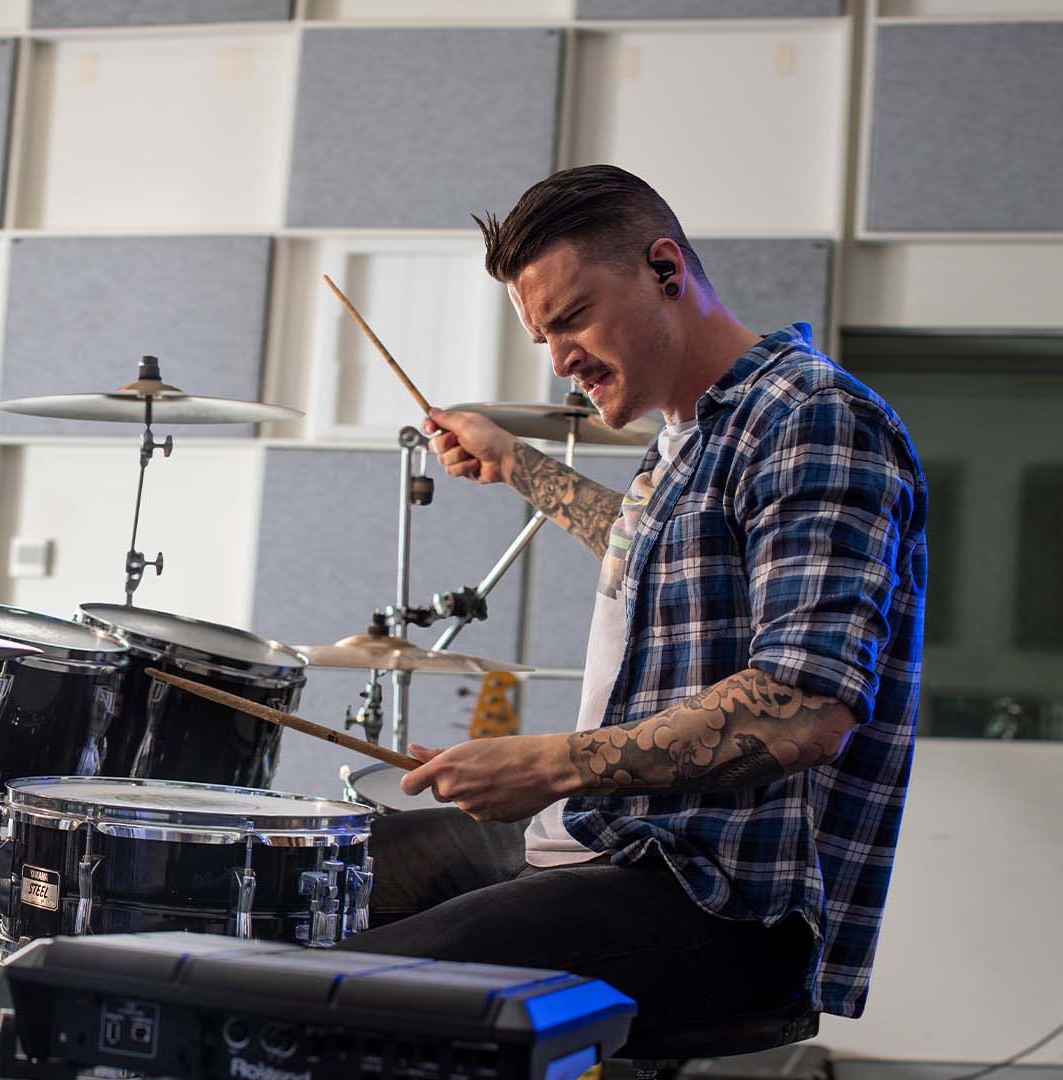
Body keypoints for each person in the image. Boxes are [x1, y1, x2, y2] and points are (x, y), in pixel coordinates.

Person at [331, 165, 929, 1033]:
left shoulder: (811, 417)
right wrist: (514, 462)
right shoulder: (692, 433)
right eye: (542, 336)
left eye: (572, 318)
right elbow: (645, 546)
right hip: (613, 842)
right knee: (309, 879)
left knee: (334, 995)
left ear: (664, 270)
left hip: (716, 898)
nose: (559, 358)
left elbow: (804, 709)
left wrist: (547, 763)